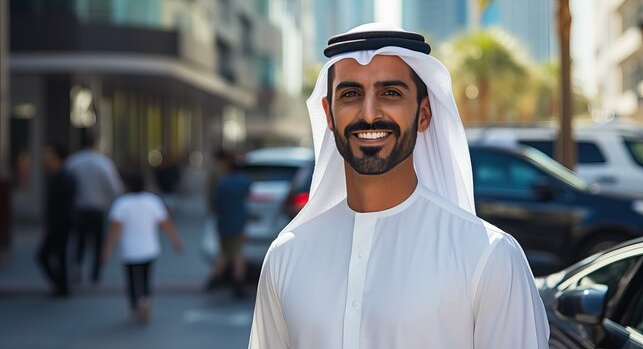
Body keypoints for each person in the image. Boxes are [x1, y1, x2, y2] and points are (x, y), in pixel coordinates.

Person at [249, 23, 550, 348]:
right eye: (350, 94)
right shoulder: (287, 254)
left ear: (423, 114)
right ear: (329, 115)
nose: (369, 114)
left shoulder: (489, 257)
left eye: (390, 93)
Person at [101, 171, 183, 322]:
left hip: (129, 250)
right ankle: (145, 300)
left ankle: (134, 305)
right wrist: (175, 240)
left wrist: (107, 248)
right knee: (146, 278)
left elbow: (114, 229)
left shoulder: (122, 203)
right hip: (149, 248)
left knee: (132, 279)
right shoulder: (152, 201)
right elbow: (165, 223)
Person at [65, 130, 123, 284]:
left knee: (80, 241)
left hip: (78, 208)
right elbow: (115, 187)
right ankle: (95, 273)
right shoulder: (103, 163)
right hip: (98, 208)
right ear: (95, 144)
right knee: (98, 243)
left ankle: (77, 265)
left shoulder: (73, 162)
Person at [205, 150, 251, 298]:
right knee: (237, 254)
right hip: (239, 222)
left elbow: (215, 204)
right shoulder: (245, 182)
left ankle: (214, 279)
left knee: (224, 252)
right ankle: (238, 283)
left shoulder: (223, 183)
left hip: (223, 222)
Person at [37, 144, 75, 297]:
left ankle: (62, 286)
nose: (46, 161)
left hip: (60, 224)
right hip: (59, 223)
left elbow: (64, 204)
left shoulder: (64, 177)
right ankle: (61, 286)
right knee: (57, 255)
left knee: (50, 255)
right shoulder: (58, 176)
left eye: (49, 158)